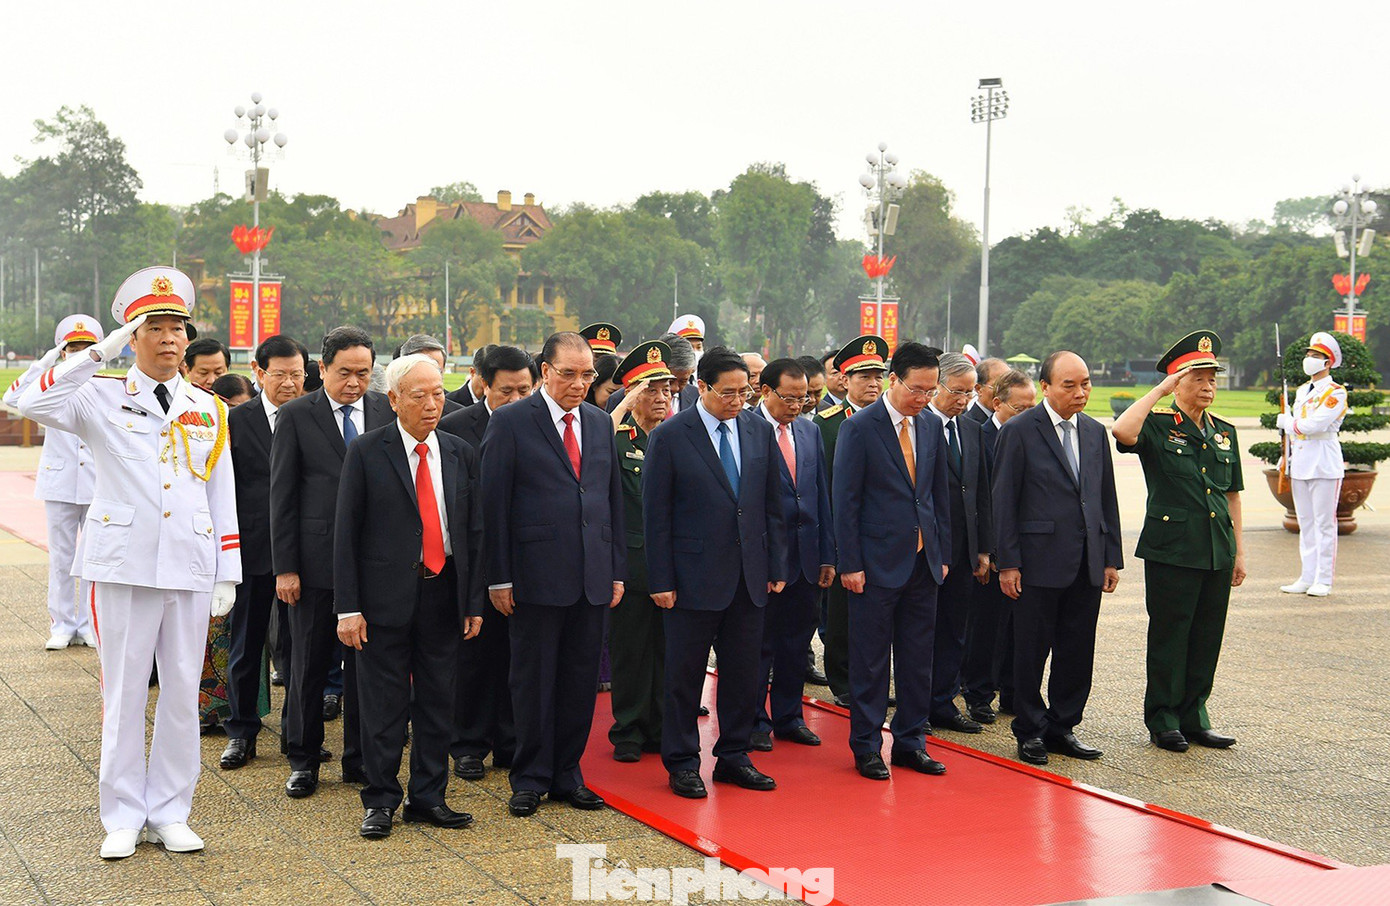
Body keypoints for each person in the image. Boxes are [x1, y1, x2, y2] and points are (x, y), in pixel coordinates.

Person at [18, 266, 240, 859]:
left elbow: (221, 493)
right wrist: (99, 353)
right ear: (133, 337)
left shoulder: (208, 407)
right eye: (155, 327)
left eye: (177, 328)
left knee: (182, 691)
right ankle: (120, 813)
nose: (169, 339)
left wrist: (227, 571)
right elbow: (24, 398)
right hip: (122, 563)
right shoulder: (98, 395)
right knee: (121, 692)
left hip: (190, 564)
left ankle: (171, 809)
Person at [335, 354, 486, 838]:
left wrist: (472, 602)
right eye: (418, 395)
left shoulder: (460, 451)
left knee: (439, 701)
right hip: (383, 599)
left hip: (443, 593)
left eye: (438, 393)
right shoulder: (367, 450)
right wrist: (349, 608)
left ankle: (428, 796)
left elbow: (472, 531)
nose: (431, 404)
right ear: (393, 399)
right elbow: (346, 533)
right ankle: (380, 799)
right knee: (384, 704)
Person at [481, 331, 625, 818]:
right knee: (533, 680)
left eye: (587, 375)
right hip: (534, 576)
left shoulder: (600, 423)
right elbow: (493, 505)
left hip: (592, 575)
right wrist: (498, 577)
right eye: (569, 374)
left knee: (580, 681)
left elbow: (612, 504)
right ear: (545, 371)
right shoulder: (511, 422)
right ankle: (530, 776)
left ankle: (568, 773)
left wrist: (616, 570)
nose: (580, 384)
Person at [643, 347, 787, 799]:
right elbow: (656, 515)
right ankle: (683, 761)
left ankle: (734, 756)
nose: (737, 400)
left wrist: (777, 564)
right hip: (690, 578)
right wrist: (661, 579)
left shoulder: (757, 430)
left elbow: (773, 505)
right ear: (702, 387)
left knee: (745, 674)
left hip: (750, 576)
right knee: (684, 677)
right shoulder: (670, 435)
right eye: (728, 392)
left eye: (745, 392)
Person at [270, 326, 394, 798]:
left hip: (374, 564)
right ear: (322, 369)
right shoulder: (298, 415)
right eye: (345, 373)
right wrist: (286, 567)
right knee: (308, 664)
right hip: (315, 564)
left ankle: (359, 758)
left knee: (366, 668)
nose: (355, 383)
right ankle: (303, 758)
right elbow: (282, 496)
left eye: (364, 373)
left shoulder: (386, 410)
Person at [1114, 330, 1246, 753]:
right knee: (1171, 635)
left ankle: (1195, 716)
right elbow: (1121, 430)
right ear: (1177, 383)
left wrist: (1239, 551)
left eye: (1213, 380)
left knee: (1207, 636)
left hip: (1215, 550)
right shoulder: (1156, 426)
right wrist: (1160, 391)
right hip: (1173, 550)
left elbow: (1231, 496)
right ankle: (1164, 718)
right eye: (1199, 379)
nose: (1209, 387)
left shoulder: (1224, 433)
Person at [993, 351, 1122, 766]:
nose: (1081, 392)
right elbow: (1004, 501)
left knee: (1077, 649)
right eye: (1070, 385)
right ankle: (1029, 730)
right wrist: (1007, 562)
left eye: (1085, 383)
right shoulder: (1019, 430)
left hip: (1086, 561)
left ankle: (1063, 725)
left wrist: (1109, 557)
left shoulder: (1093, 431)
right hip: (1036, 562)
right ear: (1045, 387)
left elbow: (1105, 499)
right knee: (1031, 651)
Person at [833, 341, 952, 780]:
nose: (924, 398)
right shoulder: (860, 428)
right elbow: (845, 501)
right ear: (893, 380)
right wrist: (849, 562)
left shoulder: (930, 427)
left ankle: (910, 742)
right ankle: (866, 745)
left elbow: (939, 497)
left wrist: (942, 554)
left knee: (918, 657)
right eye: (917, 389)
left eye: (931, 390)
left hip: (923, 562)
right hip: (875, 563)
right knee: (870, 660)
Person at [436, 344, 535, 781]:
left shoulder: (540, 425)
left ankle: (512, 741)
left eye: (524, 390)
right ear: (483, 385)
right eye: (506, 391)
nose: (515, 400)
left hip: (526, 559)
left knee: (519, 656)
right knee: (474, 656)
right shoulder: (455, 428)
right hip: (474, 562)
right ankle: (469, 744)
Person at [220, 335, 310, 771]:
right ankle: (241, 732)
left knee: (298, 649)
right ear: (258, 373)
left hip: (302, 554)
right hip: (252, 551)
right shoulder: (235, 420)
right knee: (247, 644)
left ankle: (299, 735)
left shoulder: (314, 417)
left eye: (297, 374)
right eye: (281, 375)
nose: (291, 383)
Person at [3, 315, 103, 650]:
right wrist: (45, 361)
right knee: (61, 557)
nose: (78, 354)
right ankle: (62, 624)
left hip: (97, 483)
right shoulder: (48, 385)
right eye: (72, 348)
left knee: (92, 558)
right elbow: (10, 399)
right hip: (60, 482)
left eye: (86, 348)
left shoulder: (103, 384)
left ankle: (89, 624)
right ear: (62, 351)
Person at [752, 358, 835, 750]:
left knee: (795, 643)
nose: (799, 405)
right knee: (758, 645)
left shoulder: (809, 430)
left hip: (806, 556)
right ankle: (753, 719)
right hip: (766, 557)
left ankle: (789, 716)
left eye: (805, 398)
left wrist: (827, 555)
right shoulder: (747, 430)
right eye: (790, 397)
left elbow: (821, 493)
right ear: (765, 391)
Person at [605, 341, 677, 761]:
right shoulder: (614, 437)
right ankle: (628, 730)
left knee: (669, 651)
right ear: (632, 395)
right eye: (651, 390)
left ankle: (661, 726)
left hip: (671, 564)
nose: (663, 397)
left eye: (667, 389)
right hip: (630, 565)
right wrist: (620, 409)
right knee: (631, 651)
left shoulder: (677, 438)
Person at [814, 336, 887, 706]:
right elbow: (822, 484)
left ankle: (871, 680)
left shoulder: (893, 420)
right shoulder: (826, 424)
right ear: (845, 380)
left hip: (882, 535)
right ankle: (842, 682)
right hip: (842, 532)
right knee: (840, 614)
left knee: (878, 616)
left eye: (879, 376)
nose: (873, 383)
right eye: (864, 376)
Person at [924, 353, 994, 735]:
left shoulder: (970, 429)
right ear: (937, 386)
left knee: (955, 630)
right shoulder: (919, 427)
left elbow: (980, 492)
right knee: (922, 631)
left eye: (969, 393)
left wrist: (983, 548)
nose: (964, 400)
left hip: (964, 551)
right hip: (928, 550)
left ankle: (944, 702)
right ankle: (918, 704)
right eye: (957, 391)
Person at [960, 369, 1035, 723]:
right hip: (993, 547)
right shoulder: (979, 435)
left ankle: (1013, 692)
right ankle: (978, 694)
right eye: (1020, 408)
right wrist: (986, 550)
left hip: (1027, 546)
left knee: (1020, 629)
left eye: (1031, 406)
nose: (1027, 413)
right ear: (997, 403)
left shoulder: (1035, 435)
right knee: (986, 628)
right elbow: (981, 500)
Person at [1277, 332, 1349, 597]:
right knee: (1305, 522)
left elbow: (1314, 425)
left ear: (1328, 362)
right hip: (1302, 461)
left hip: (1323, 461)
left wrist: (1288, 423)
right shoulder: (1300, 391)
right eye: (1309, 355)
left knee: (1323, 524)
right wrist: (1286, 454)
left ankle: (1324, 579)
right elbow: (1298, 431)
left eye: (1315, 356)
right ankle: (1306, 576)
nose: (1309, 359)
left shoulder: (1335, 393)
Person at [606, 332, 699, 416]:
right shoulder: (620, 400)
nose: (674, 388)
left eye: (683, 381)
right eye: (670, 380)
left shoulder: (697, 398)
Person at [966, 357, 1010, 424]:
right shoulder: (969, 425)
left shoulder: (1012, 421)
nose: (1005, 392)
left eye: (1009, 386)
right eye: (998, 386)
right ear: (978, 389)